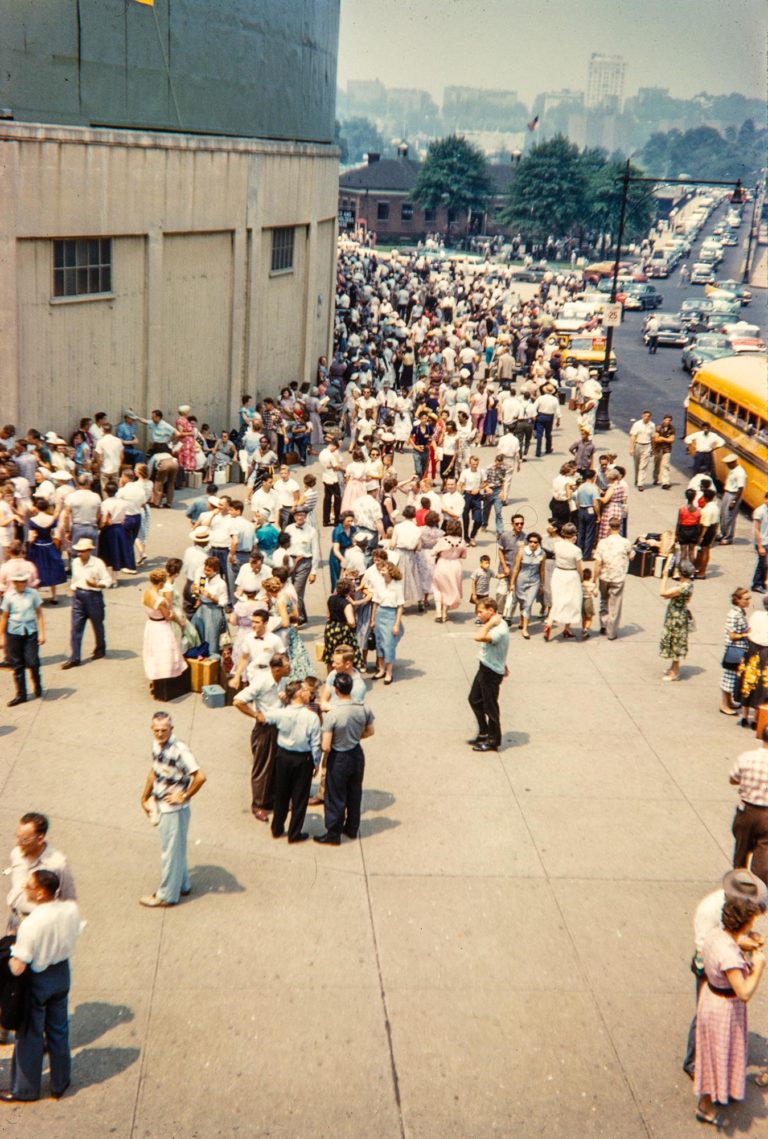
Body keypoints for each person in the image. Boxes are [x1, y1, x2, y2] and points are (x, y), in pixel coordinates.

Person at [1, 870, 81, 1102]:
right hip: (62, 974)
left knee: (29, 1035)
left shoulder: (32, 924)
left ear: (41, 892)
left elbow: (18, 967)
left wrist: (8, 954)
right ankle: (60, 1082)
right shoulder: (70, 910)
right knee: (59, 1030)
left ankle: (25, 1089)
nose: (26, 888)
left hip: (38, 980)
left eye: (29, 886)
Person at [682, 868, 767, 1083]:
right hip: (710, 967)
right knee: (704, 1013)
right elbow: (713, 946)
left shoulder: (731, 906)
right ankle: (693, 1061)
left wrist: (745, 938)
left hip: (722, 959)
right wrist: (747, 948)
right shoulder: (712, 909)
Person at [693, 896, 766, 1127]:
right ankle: (705, 1106)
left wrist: (746, 942)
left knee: (718, 1051)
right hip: (724, 1008)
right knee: (718, 1054)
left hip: (711, 998)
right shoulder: (730, 956)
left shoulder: (716, 935)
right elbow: (744, 991)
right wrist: (758, 967)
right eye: (750, 923)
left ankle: (724, 1090)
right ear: (743, 923)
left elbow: (728, 943)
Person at [139, 712, 206, 907]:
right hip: (161, 804)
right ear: (152, 729)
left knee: (169, 852)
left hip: (174, 810)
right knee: (177, 849)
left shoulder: (180, 750)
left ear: (172, 729)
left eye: (164, 730)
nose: (160, 734)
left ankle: (167, 895)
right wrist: (144, 795)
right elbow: (154, 771)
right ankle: (183, 884)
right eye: (157, 730)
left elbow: (200, 776)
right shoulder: (156, 745)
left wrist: (184, 795)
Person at [314, 672, 375, 846]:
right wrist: (354, 737)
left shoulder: (333, 714)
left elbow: (326, 746)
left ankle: (333, 833)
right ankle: (352, 828)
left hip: (339, 757)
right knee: (354, 793)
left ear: (335, 689)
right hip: (356, 753)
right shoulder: (363, 708)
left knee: (335, 796)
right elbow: (370, 731)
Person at [259, 680, 322, 843]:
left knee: (281, 794)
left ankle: (277, 828)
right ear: (300, 694)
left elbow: (264, 716)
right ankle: (294, 833)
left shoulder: (281, 713)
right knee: (300, 797)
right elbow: (316, 743)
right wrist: (316, 763)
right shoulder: (312, 717)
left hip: (283, 756)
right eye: (307, 691)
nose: (310, 694)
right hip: (303, 759)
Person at [234, 652, 290, 822]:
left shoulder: (283, 680)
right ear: (278, 669)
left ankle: (271, 799)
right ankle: (258, 805)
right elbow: (238, 701)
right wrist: (255, 714)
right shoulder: (262, 682)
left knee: (275, 766)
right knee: (263, 769)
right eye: (287, 665)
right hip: (265, 730)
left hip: (279, 726)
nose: (291, 667)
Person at [4, 813, 77, 937]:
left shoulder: (57, 864)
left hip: (39, 927)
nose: (18, 843)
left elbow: (69, 900)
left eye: (24, 840)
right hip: (15, 920)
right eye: (18, 837)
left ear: (40, 839)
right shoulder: (17, 854)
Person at [61, 537, 112, 669]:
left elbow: (108, 580)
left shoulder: (98, 563)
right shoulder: (75, 562)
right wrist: (74, 590)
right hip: (78, 596)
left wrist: (96, 584)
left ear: (89, 551)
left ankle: (100, 648)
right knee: (76, 628)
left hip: (93, 596)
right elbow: (74, 579)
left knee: (97, 624)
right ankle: (75, 657)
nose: (79, 553)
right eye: (78, 551)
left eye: (82, 551)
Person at [467, 598, 510, 753]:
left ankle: (493, 740)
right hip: (485, 666)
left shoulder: (499, 628)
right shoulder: (497, 625)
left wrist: (490, 623)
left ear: (491, 610)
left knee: (490, 707)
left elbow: (478, 637)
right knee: (474, 699)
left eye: (480, 611)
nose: (478, 615)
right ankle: (484, 731)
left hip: (491, 673)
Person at [730, 724, 768, 888]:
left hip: (746, 811)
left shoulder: (746, 757)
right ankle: (757, 890)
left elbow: (733, 778)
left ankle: (737, 887)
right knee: (764, 857)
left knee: (741, 852)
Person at [142, 569, 188, 700]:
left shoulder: (146, 593)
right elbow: (168, 616)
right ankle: (163, 685)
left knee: (153, 655)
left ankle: (155, 683)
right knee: (165, 655)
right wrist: (180, 622)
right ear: (161, 583)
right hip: (161, 627)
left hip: (150, 624)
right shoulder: (160, 600)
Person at [0, 570, 44, 706]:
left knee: (32, 661)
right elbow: (5, 617)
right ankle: (21, 694)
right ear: (14, 583)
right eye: (19, 582)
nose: (22, 584)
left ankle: (37, 683)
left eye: (24, 581)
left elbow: (39, 614)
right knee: (17, 664)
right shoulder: (8, 596)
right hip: (14, 632)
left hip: (30, 632)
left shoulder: (33, 594)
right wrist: (1, 636)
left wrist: (42, 633)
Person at [592, 518, 632, 641]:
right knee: (615, 604)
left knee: (604, 600)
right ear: (619, 527)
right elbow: (631, 556)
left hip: (604, 576)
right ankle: (612, 632)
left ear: (609, 527)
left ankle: (603, 625)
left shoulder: (602, 543)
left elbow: (598, 563)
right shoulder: (626, 542)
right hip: (618, 577)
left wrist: (594, 579)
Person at [544, 522, 583, 641]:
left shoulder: (557, 545)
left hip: (558, 573)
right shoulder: (576, 550)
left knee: (557, 600)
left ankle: (549, 622)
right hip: (571, 575)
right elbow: (579, 567)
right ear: (574, 535)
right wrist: (581, 578)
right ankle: (567, 628)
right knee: (571, 602)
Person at [735, 594, 768, 730]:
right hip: (766, 652)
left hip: (752, 650)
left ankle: (744, 716)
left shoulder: (756, 615)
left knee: (747, 682)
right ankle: (756, 719)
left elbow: (749, 630)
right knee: (762, 685)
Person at [659, 563, 695, 681]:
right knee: (675, 641)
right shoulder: (689, 585)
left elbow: (663, 593)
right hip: (679, 613)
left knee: (675, 642)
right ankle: (673, 668)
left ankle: (675, 672)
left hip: (676, 617)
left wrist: (664, 577)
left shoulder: (681, 587)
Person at [373, 560, 404, 683]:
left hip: (391, 614)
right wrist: (372, 619)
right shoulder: (379, 584)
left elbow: (400, 606)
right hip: (379, 613)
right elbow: (375, 602)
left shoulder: (397, 586)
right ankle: (381, 670)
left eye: (384, 569)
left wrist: (397, 624)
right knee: (379, 643)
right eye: (381, 569)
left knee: (389, 644)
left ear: (390, 570)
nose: (381, 571)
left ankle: (389, 673)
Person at [720, 588, 750, 715]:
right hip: (734, 649)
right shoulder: (735, 615)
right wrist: (746, 634)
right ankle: (724, 705)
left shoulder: (740, 612)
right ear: (737, 600)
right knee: (729, 678)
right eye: (746, 599)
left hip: (739, 648)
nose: (748, 601)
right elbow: (732, 635)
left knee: (732, 676)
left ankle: (729, 702)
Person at [431, 519, 467, 624]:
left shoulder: (443, 540)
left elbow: (433, 552)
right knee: (449, 589)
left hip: (443, 564)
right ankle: (445, 613)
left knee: (438, 588)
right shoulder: (462, 541)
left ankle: (438, 612)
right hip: (455, 565)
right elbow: (464, 556)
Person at [510, 532, 545, 640]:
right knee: (522, 601)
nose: (533, 544)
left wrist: (542, 584)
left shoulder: (542, 554)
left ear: (538, 543)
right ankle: (522, 619)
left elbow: (542, 570)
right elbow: (516, 568)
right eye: (531, 542)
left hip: (535, 581)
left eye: (535, 542)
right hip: (521, 580)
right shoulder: (522, 552)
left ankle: (525, 628)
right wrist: (512, 583)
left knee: (528, 604)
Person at [322, 578, 362, 670]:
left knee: (331, 654)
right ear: (348, 590)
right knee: (345, 654)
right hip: (342, 630)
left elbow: (327, 615)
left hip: (331, 628)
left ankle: (330, 677)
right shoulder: (346, 604)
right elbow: (351, 621)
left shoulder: (331, 598)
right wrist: (353, 626)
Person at [718, 454, 747, 545]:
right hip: (727, 493)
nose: (727, 465)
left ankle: (728, 537)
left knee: (729, 516)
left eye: (728, 463)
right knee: (722, 514)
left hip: (734, 495)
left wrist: (734, 501)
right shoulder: (732, 470)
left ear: (733, 462)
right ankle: (723, 533)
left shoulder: (740, 473)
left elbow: (740, 488)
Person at [319, 438, 344, 527]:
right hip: (333, 479)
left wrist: (330, 466)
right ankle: (337, 519)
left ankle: (325, 520)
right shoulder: (330, 455)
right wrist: (344, 470)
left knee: (327, 499)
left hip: (325, 477)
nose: (335, 450)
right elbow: (336, 467)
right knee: (337, 500)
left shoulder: (322, 453)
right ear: (333, 446)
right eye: (335, 448)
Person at [629, 410, 655, 491]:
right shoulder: (637, 424)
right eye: (645, 416)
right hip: (638, 444)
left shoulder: (652, 425)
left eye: (648, 416)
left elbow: (653, 437)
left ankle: (641, 483)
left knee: (643, 466)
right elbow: (633, 436)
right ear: (642, 416)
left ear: (650, 417)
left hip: (647, 445)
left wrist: (653, 449)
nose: (646, 417)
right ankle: (637, 479)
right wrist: (631, 448)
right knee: (637, 464)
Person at [675, 488, 702, 567]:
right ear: (694, 497)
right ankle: (692, 571)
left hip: (683, 530)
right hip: (693, 531)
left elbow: (679, 522)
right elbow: (699, 523)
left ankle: (682, 570)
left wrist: (677, 534)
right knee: (691, 552)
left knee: (683, 552)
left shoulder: (682, 509)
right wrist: (699, 535)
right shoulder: (698, 510)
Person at [652, 415, 675, 489]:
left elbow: (672, 440)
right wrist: (666, 439)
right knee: (657, 465)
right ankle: (656, 479)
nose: (667, 421)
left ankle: (665, 482)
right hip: (658, 449)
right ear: (663, 420)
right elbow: (656, 439)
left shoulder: (672, 429)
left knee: (665, 465)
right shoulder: (658, 427)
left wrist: (662, 438)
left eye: (669, 420)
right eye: (666, 420)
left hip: (667, 449)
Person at [751, 491, 768, 594]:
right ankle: (756, 584)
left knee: (766, 564)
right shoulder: (760, 511)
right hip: (762, 542)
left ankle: (762, 583)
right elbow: (756, 530)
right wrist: (760, 546)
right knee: (762, 564)